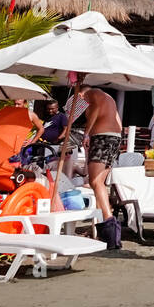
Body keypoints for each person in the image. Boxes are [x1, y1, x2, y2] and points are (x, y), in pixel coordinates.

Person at [59, 75, 122, 248]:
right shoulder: (108, 98)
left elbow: (94, 108)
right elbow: (118, 121)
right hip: (114, 138)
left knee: (95, 182)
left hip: (102, 137)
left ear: (80, 95)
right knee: (100, 183)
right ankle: (110, 230)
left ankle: (110, 230)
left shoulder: (92, 94)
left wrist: (87, 133)